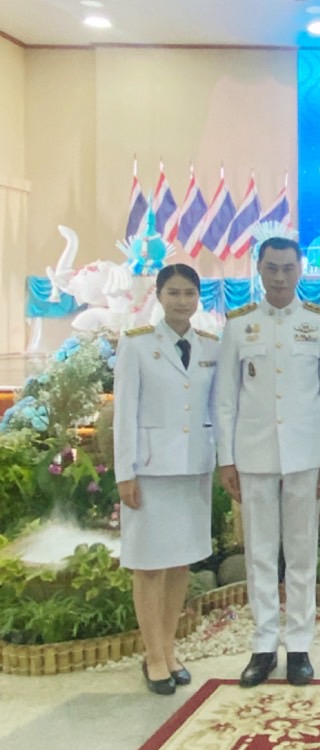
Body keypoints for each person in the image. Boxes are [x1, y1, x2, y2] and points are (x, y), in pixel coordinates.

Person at [216, 236, 320, 688]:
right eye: (272, 268)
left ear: (300, 269)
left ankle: (300, 646)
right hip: (254, 453)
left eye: (288, 268)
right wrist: (226, 459)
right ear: (259, 269)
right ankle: (264, 645)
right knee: (260, 553)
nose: (280, 277)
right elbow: (225, 400)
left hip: (306, 453)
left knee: (303, 551)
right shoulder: (239, 325)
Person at [114, 265, 218, 695]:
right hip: (151, 469)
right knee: (149, 565)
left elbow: (216, 409)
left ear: (198, 298)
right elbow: (124, 412)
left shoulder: (210, 345)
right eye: (173, 293)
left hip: (193, 468)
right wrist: (125, 473)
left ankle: (170, 649)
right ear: (158, 296)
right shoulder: (137, 344)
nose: (181, 301)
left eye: (189, 293)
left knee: (180, 562)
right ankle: (153, 656)